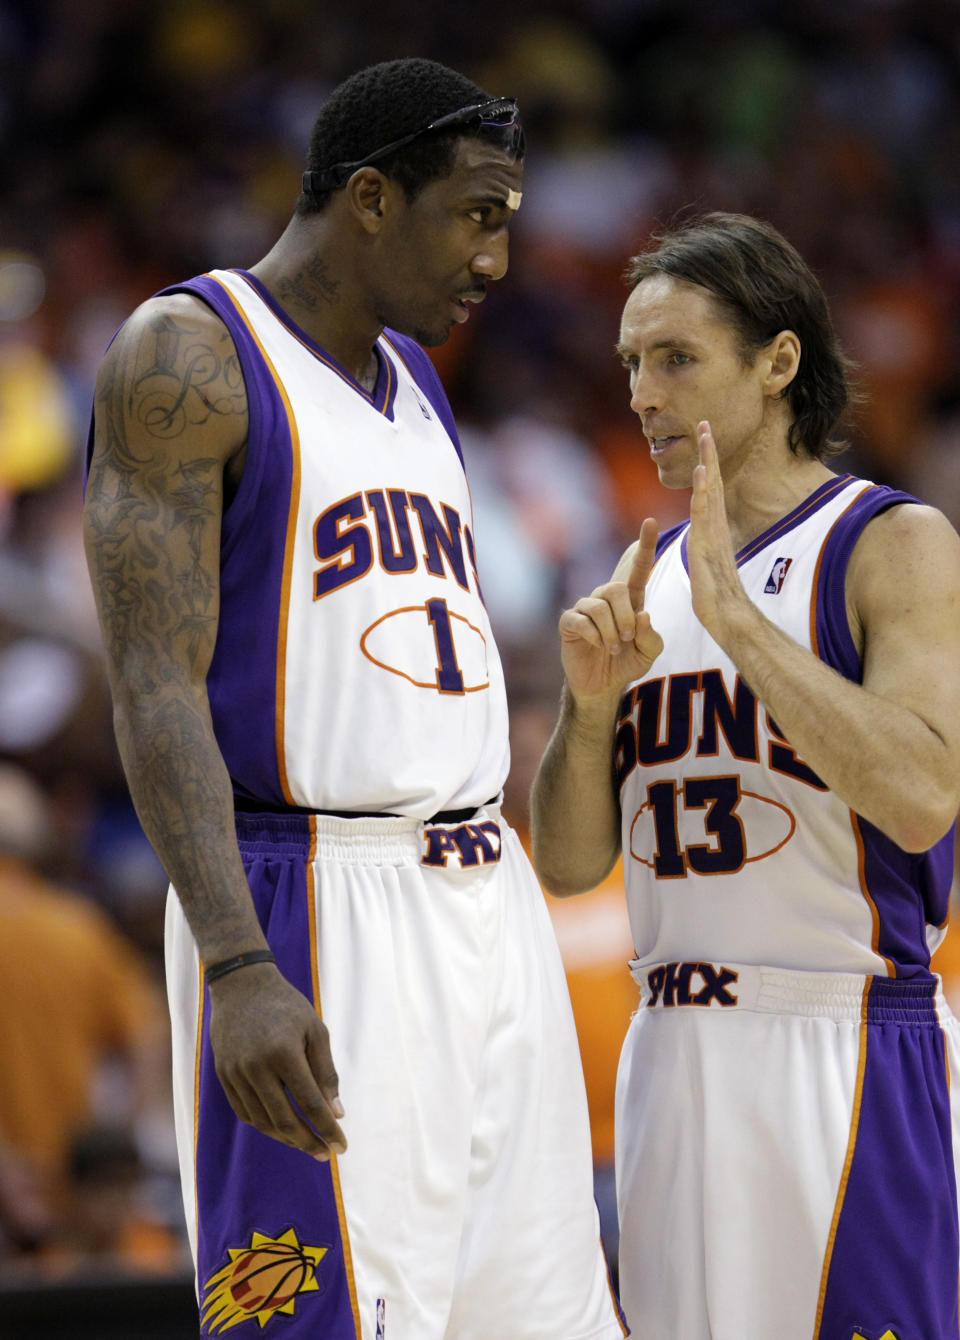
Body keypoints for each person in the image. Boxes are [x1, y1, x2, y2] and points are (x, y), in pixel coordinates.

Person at [83, 57, 626, 1340]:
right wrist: (234, 960)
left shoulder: (420, 384)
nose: (496, 259)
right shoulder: (192, 356)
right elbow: (154, 686)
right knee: (325, 1320)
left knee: (540, 1317)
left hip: (484, 902)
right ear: (372, 198)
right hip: (312, 894)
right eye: (476, 214)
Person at [530, 211, 960, 1340]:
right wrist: (586, 712)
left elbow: (921, 795)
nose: (642, 391)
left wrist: (739, 623)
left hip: (842, 1040)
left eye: (676, 357)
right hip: (670, 1052)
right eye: (630, 363)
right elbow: (574, 863)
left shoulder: (891, 542)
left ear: (779, 361)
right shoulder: (647, 572)